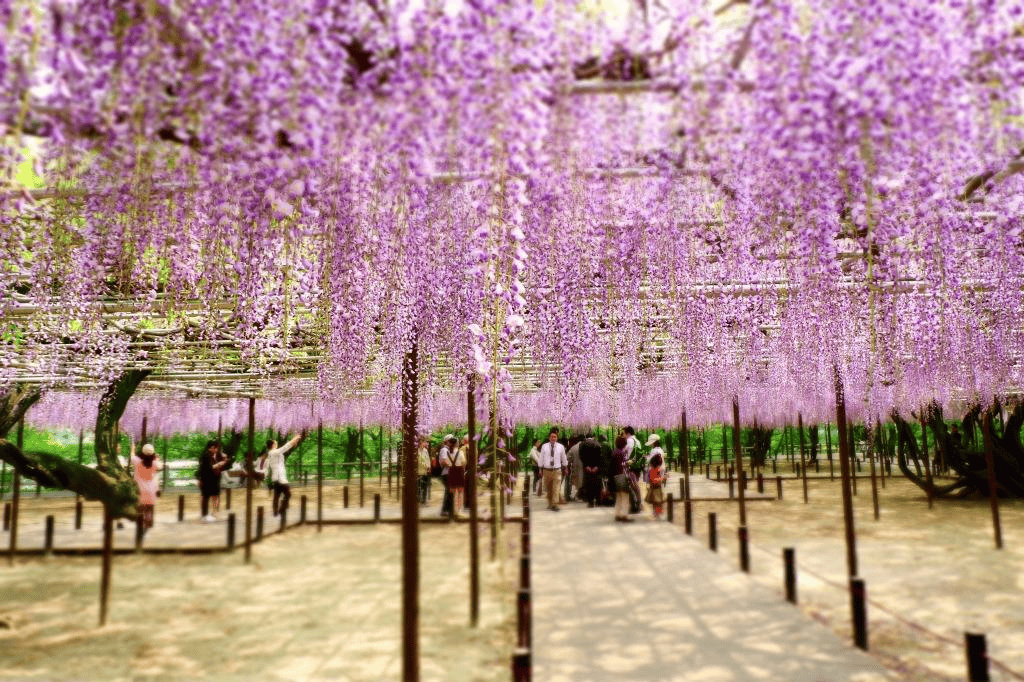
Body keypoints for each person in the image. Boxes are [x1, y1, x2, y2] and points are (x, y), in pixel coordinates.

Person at [266, 431, 306, 517]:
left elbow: (286, 448)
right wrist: (296, 437)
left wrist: (293, 442)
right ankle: (281, 509)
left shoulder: (270, 453)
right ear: (273, 445)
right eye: (275, 443)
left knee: (276, 495)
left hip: (275, 478)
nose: (277, 444)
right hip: (280, 478)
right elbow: (285, 447)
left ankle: (275, 511)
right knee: (288, 494)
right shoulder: (274, 452)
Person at [131, 441, 162, 530]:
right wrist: (156, 456)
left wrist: (133, 448)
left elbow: (132, 456)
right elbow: (160, 466)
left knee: (141, 508)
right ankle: (149, 522)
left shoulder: (137, 461)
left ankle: (141, 522)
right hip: (151, 489)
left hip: (139, 488)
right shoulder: (155, 463)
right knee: (150, 507)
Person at [197, 440, 229, 522]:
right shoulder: (205, 455)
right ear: (210, 448)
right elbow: (208, 468)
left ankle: (215, 512)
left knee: (215, 495)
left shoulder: (217, 455)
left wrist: (224, 460)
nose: (216, 449)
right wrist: (219, 464)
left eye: (216, 448)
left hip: (215, 479)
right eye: (214, 448)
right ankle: (204, 514)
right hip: (206, 479)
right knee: (205, 497)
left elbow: (224, 464)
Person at [539, 428, 567, 511]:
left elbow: (564, 458)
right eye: (552, 436)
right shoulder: (544, 446)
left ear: (557, 438)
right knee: (549, 488)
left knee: (556, 488)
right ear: (549, 437)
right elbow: (541, 458)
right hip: (547, 470)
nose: (553, 438)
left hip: (557, 470)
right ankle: (550, 503)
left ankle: (554, 504)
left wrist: (565, 467)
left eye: (555, 437)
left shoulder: (561, 447)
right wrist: (540, 469)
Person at [611, 435, 633, 522]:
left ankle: (617, 514)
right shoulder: (621, 453)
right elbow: (623, 465)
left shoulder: (614, 452)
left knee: (619, 496)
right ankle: (624, 515)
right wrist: (628, 463)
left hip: (615, 476)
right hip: (622, 476)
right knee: (625, 496)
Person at [446, 436, 469, 519]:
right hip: (459, 472)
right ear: (456, 444)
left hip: (451, 472)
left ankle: (454, 510)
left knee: (453, 493)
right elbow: (464, 462)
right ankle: (459, 510)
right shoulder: (460, 453)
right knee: (460, 492)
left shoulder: (448, 453)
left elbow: (447, 463)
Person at [579, 433, 603, 507]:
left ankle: (590, 501)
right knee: (597, 483)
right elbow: (601, 456)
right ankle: (598, 500)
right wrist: (597, 466)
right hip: (596, 468)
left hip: (587, 467)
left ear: (586, 437)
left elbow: (581, 455)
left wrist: (586, 466)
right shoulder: (598, 444)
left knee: (588, 484)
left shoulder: (582, 444)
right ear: (593, 437)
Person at [438, 434, 457, 517]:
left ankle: (447, 510)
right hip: (446, 473)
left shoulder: (449, 450)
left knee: (449, 492)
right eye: (450, 441)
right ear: (446, 441)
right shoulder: (444, 450)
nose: (451, 442)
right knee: (449, 492)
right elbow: (444, 462)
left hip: (449, 473)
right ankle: (445, 510)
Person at [646, 452, 667, 519]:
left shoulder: (652, 470)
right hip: (657, 488)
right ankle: (658, 513)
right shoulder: (658, 470)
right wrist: (663, 479)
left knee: (655, 502)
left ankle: (656, 513)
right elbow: (656, 479)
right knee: (659, 501)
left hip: (653, 488)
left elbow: (650, 479)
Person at [417, 437, 432, 504]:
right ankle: (418, 498)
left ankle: (424, 499)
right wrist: (424, 464)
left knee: (425, 486)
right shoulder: (417, 451)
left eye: (424, 443)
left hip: (425, 470)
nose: (424, 444)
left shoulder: (425, 450)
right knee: (418, 485)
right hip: (419, 470)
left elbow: (428, 459)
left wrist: (428, 466)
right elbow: (418, 460)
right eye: (422, 442)